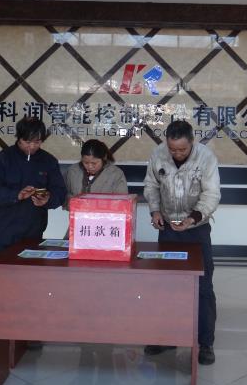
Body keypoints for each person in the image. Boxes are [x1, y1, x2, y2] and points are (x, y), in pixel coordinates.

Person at [0, 116, 66, 358]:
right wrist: (16, 195)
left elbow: (59, 192)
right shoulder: (1, 160)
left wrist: (47, 199)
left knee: (31, 283)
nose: (32, 147)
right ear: (18, 138)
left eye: (37, 142)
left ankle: (28, 331)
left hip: (32, 233)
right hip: (2, 232)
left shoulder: (48, 161)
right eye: (27, 142)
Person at [143, 119, 221, 365]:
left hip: (196, 230)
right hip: (168, 230)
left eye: (182, 150)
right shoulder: (158, 154)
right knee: (167, 285)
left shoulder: (206, 158)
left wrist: (193, 218)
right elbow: (151, 185)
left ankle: (205, 343)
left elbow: (211, 194)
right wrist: (155, 211)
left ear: (192, 142)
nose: (176, 153)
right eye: (172, 149)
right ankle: (167, 337)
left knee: (203, 287)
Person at [64, 139, 129, 202]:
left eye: (94, 163)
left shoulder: (115, 174)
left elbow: (122, 202)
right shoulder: (72, 171)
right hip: (76, 209)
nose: (90, 166)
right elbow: (64, 196)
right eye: (86, 162)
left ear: (104, 158)